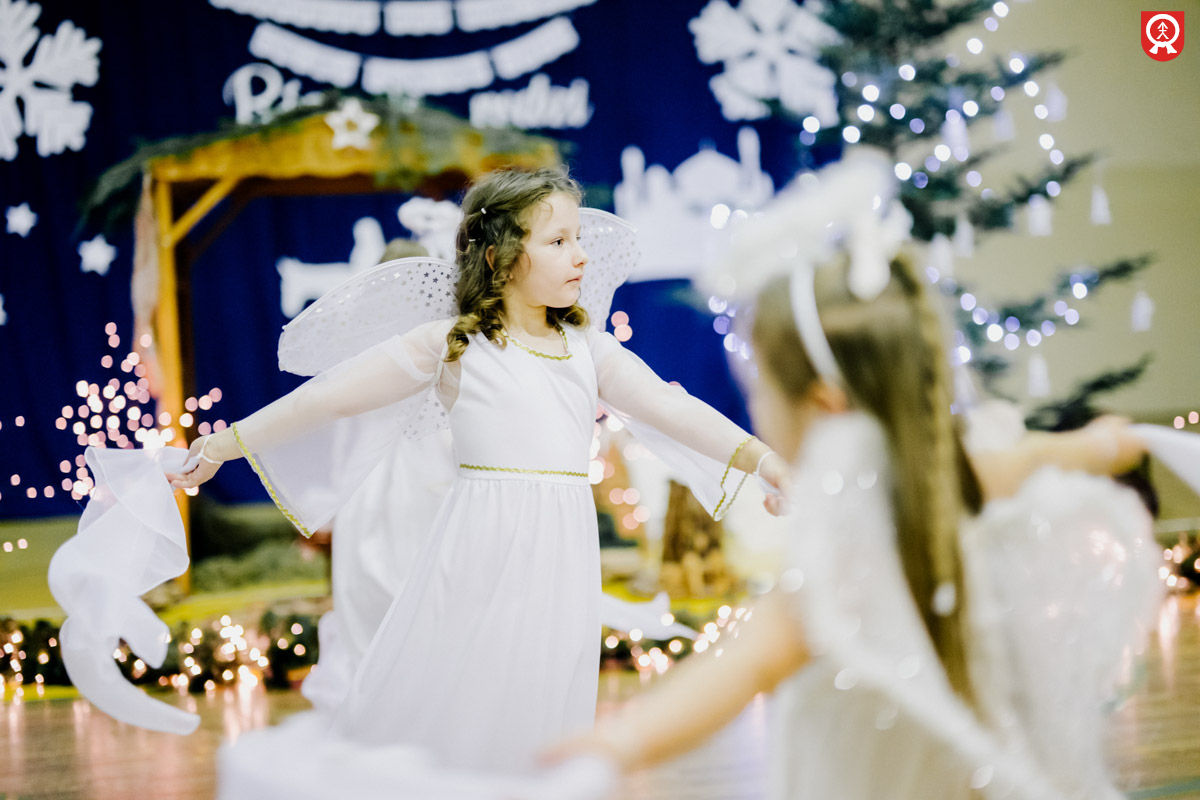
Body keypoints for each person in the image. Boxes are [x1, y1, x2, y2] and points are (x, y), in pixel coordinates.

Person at [166, 166, 789, 771]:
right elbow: (328, 398)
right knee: (468, 692)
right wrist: (224, 444)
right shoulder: (454, 346)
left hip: (563, 554)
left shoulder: (588, 350)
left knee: (546, 691)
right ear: (499, 257)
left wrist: (765, 460)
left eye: (577, 238)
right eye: (558, 241)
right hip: (480, 550)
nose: (580, 256)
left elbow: (672, 407)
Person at [541, 245, 1162, 799]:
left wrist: (618, 743)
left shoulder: (845, 549)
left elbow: (743, 665)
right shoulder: (958, 476)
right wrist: (1109, 444)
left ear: (823, 405)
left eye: (762, 389)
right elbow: (1042, 456)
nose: (757, 405)